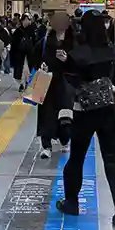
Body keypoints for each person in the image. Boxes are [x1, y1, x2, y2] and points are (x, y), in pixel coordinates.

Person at [55, 12, 115, 229]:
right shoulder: (114, 53)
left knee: (77, 157)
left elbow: (69, 80)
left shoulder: (78, 54)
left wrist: (65, 63)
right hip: (108, 111)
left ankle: (71, 202)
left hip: (84, 113)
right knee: (112, 157)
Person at [37, 12, 76, 159]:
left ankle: (65, 140)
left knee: (66, 114)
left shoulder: (74, 41)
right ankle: (46, 145)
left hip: (67, 84)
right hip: (47, 83)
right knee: (46, 114)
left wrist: (68, 60)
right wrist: (42, 65)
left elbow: (81, 62)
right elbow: (35, 56)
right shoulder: (46, 40)